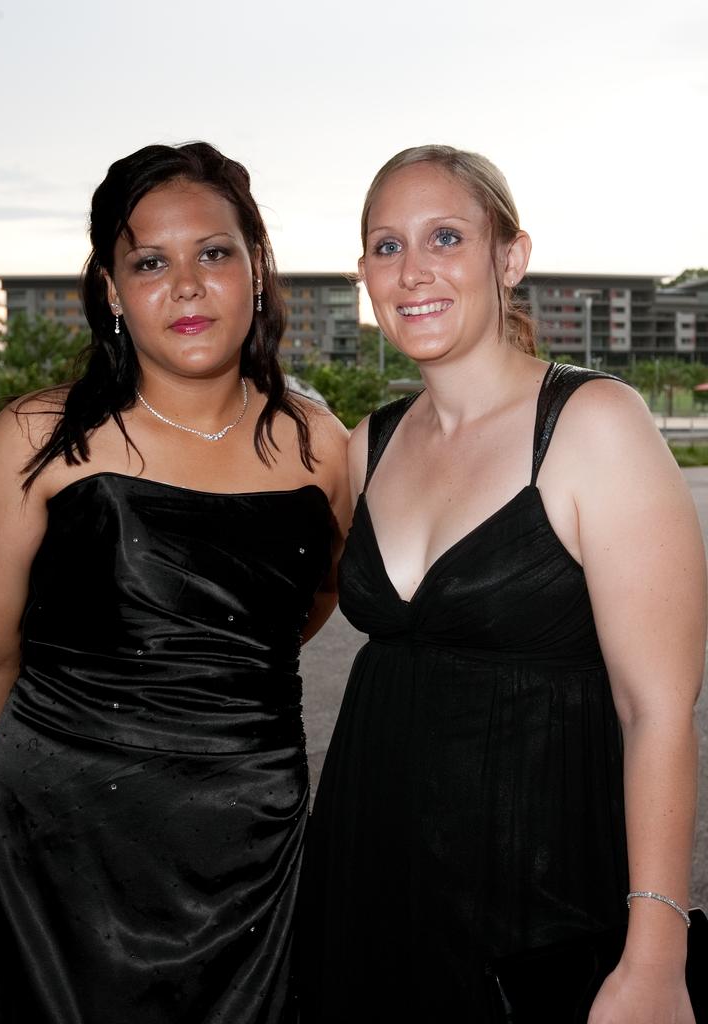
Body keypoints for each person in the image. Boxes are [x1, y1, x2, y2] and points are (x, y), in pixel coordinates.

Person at [0, 141, 349, 1023]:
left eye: (215, 252)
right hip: (48, 856)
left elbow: (299, 610)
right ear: (113, 290)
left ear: (257, 269)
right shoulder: (37, 439)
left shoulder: (323, 446)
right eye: (151, 262)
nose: (188, 285)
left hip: (251, 850)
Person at [297, 145, 706, 1023]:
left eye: (445, 236)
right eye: (386, 246)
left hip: (537, 894)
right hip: (366, 878)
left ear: (509, 257)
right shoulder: (367, 443)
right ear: (364, 273)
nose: (413, 272)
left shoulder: (594, 423)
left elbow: (658, 711)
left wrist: (655, 956)